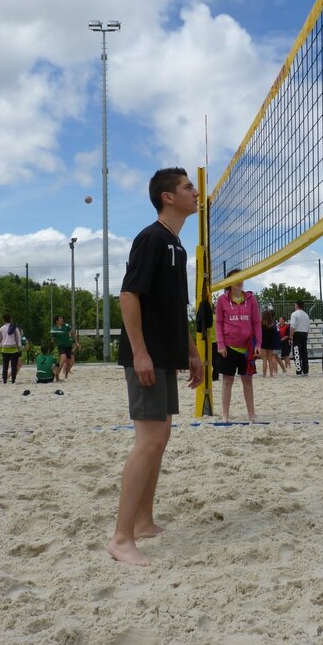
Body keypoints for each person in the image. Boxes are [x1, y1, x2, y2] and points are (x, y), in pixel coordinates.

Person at [108, 167, 203, 567]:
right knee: (147, 441)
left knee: (160, 438)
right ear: (167, 197)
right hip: (147, 356)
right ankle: (121, 538)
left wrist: (193, 352)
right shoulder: (151, 238)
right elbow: (129, 295)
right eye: (187, 187)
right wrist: (140, 352)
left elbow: (175, 311)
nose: (196, 192)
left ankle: (144, 521)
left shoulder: (177, 246)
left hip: (166, 353)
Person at [215, 269, 262, 422]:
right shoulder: (222, 300)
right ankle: (225, 415)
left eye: (242, 278)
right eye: (236, 278)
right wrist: (220, 344)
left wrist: (258, 344)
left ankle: (251, 414)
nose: (240, 281)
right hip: (229, 346)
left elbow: (256, 322)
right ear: (229, 282)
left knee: (247, 380)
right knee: (227, 380)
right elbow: (219, 323)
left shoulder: (251, 299)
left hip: (247, 347)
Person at [0, 313, 22, 384]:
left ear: (3, 320)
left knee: (5, 366)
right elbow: (18, 338)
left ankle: (4, 380)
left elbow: (0, 339)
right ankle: (13, 380)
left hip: (5, 349)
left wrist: (1, 346)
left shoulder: (1, 328)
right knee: (14, 366)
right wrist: (19, 348)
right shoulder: (15, 328)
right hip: (14, 349)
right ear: (10, 319)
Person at [289, 300, 310, 376]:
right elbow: (308, 328)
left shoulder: (294, 314)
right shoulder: (306, 315)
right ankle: (306, 371)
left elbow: (293, 326)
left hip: (297, 334)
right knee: (304, 353)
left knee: (296, 352)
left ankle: (299, 371)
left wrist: (290, 337)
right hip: (304, 334)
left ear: (297, 305)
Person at [260, 309, 278, 377]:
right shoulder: (273, 323)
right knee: (270, 359)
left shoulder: (261, 323)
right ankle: (271, 374)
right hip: (271, 342)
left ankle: (264, 374)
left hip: (263, 341)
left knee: (264, 359)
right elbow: (275, 334)